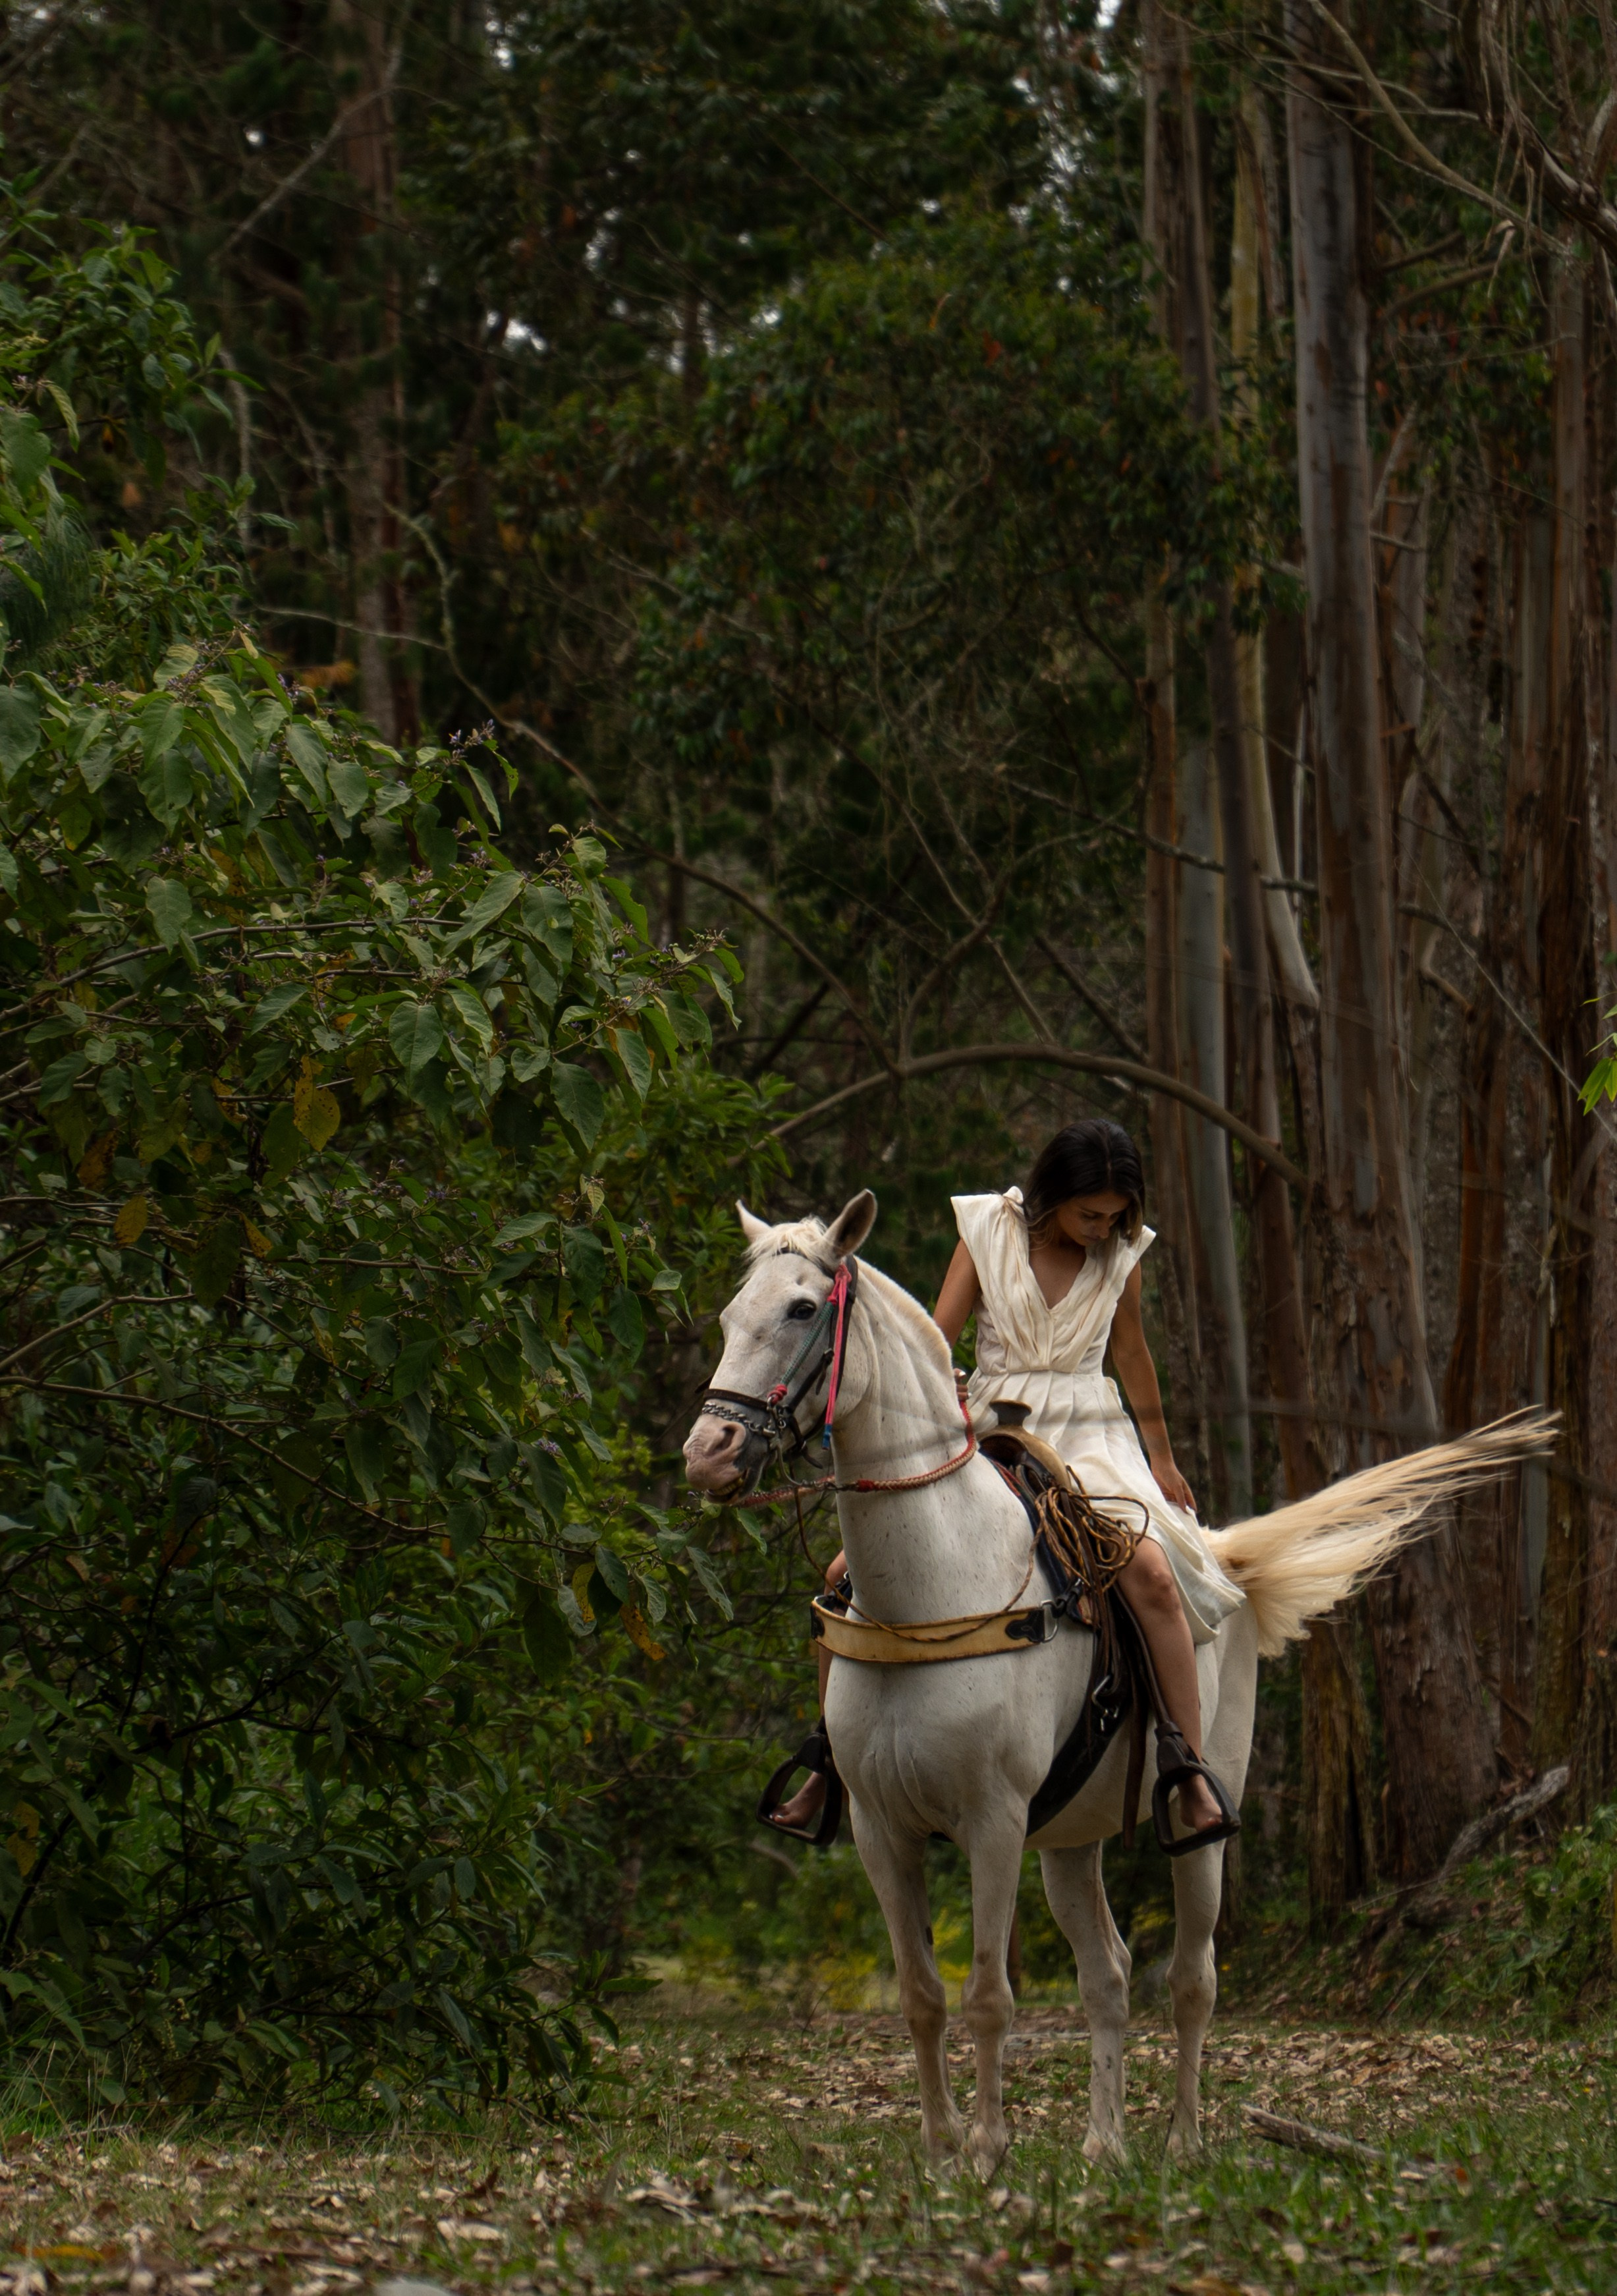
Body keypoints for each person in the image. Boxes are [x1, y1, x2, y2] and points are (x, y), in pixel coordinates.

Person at [768, 1117, 1244, 1844]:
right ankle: (829, 1760)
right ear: (1053, 1194)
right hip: (991, 1424)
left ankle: (1187, 1765)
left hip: (1090, 1434)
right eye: (1089, 1213)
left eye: (1113, 1215)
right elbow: (939, 1333)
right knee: (842, 1576)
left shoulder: (1120, 1254)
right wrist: (939, 1407)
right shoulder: (987, 1227)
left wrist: (1163, 1456)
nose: (1100, 1227)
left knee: (1150, 1574)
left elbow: (1133, 1355)